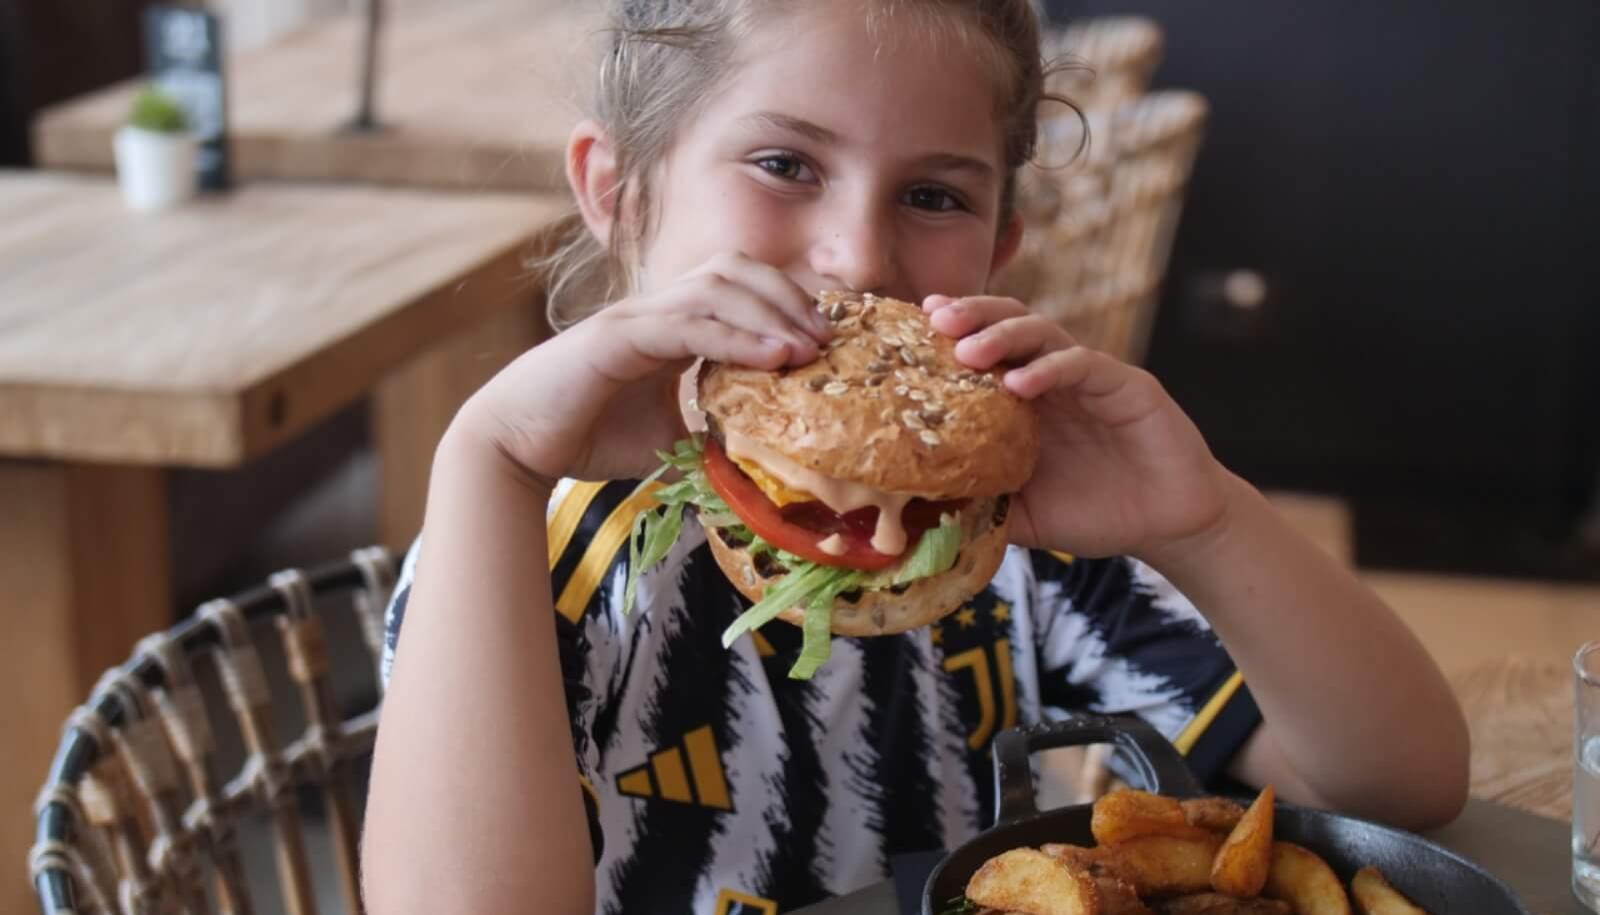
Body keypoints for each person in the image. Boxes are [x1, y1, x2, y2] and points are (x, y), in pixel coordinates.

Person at [361, 2, 1470, 913]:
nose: (857, 255)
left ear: (998, 247)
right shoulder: (524, 545)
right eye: (784, 162)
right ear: (618, 191)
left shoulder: (1011, 535)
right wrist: (488, 462)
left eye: (934, 195)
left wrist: (1206, 526)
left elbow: (1400, 788)